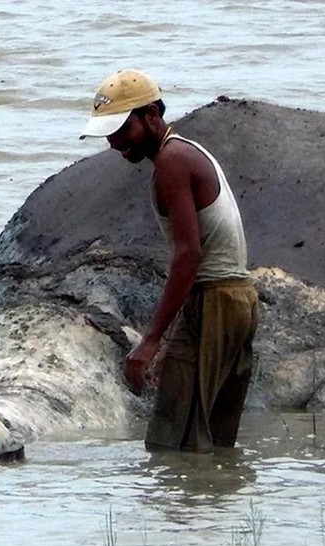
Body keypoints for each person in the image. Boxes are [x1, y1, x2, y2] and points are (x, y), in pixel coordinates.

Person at [80, 69, 259, 452]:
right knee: (214, 439)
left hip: (215, 300)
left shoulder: (171, 162)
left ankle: (180, 512)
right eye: (109, 135)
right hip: (234, 298)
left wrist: (151, 341)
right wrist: (172, 338)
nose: (114, 144)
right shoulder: (187, 150)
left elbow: (189, 254)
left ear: (151, 116)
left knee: (173, 443)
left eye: (121, 131)